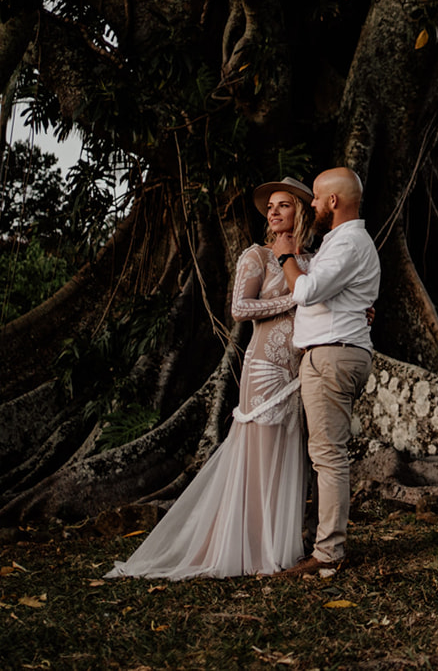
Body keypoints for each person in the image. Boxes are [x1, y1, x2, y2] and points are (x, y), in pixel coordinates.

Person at [106, 178, 316, 579]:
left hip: (296, 372)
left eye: (283, 205)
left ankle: (279, 545)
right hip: (264, 369)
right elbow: (240, 307)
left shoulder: (311, 262)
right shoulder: (256, 256)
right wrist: (296, 297)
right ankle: (249, 547)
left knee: (287, 453)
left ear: (300, 212)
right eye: (270, 206)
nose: (273, 212)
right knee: (258, 452)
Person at [271, 166, 379, 576]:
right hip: (333, 351)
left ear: (333, 201)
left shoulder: (349, 242)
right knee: (324, 454)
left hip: (333, 355)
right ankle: (322, 544)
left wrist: (285, 257)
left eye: (315, 198)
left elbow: (307, 291)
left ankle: (328, 555)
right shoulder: (340, 243)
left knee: (329, 456)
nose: (311, 204)